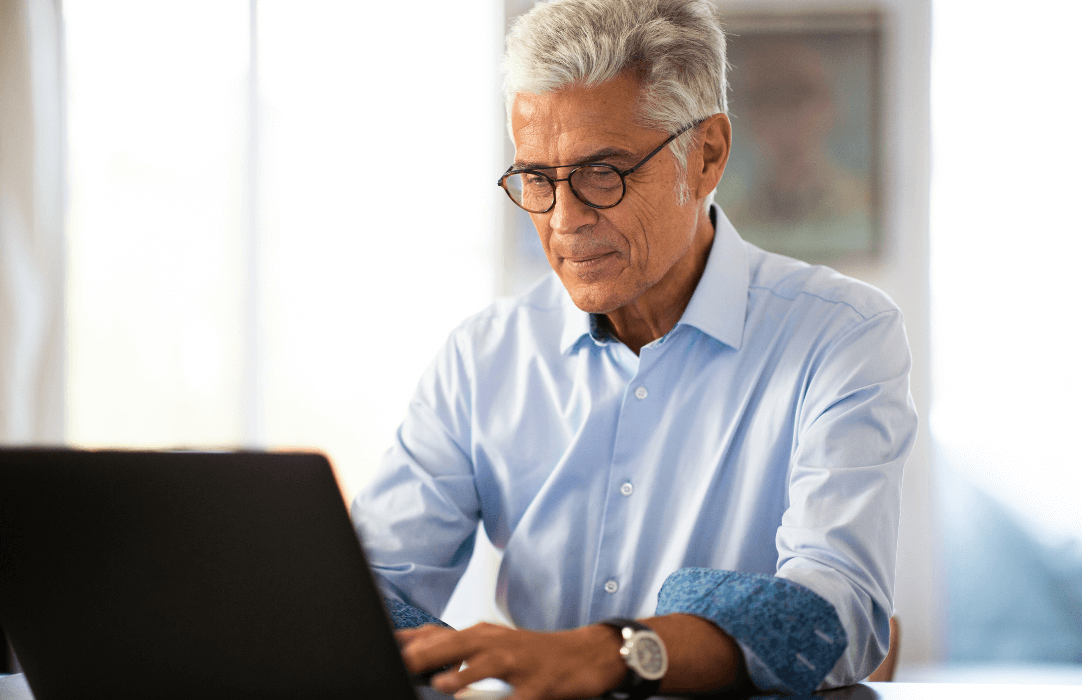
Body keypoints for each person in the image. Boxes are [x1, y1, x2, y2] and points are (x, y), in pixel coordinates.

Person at [352, 0, 917, 697]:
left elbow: (837, 612)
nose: (564, 223)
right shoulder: (482, 358)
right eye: (537, 178)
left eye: (603, 173)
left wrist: (615, 652)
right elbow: (366, 588)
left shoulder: (842, 336)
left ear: (706, 155)